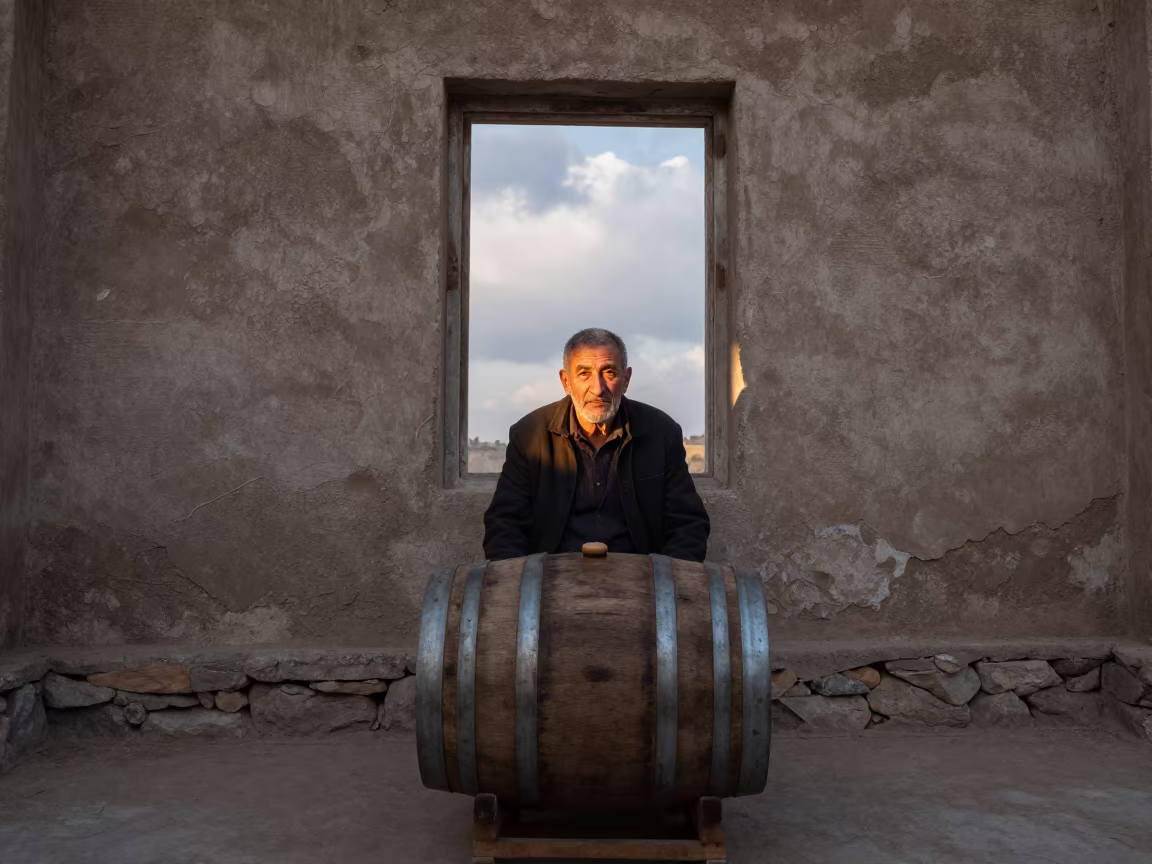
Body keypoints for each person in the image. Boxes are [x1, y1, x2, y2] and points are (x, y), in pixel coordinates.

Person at [482, 327, 710, 561]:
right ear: (566, 381)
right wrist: (527, 587)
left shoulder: (661, 433)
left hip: (639, 582)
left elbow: (688, 524)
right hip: (551, 582)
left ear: (626, 379)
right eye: (584, 374)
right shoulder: (529, 436)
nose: (598, 388)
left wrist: (662, 585)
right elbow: (505, 526)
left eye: (609, 373)